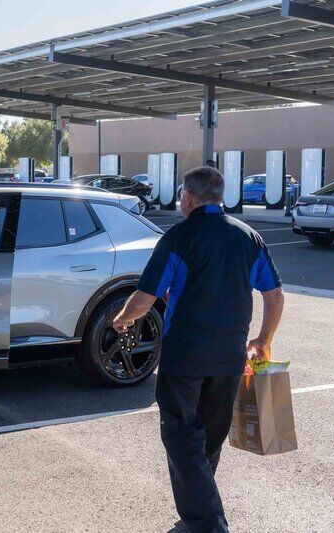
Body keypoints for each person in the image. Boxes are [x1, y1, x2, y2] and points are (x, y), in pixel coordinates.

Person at [112, 166, 285, 533]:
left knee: (180, 435)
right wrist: (264, 339)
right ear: (219, 195)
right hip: (229, 358)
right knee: (208, 435)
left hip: (185, 357)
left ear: (188, 198)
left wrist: (122, 318)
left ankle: (208, 522)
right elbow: (275, 294)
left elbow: (145, 297)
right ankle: (198, 513)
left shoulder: (179, 236)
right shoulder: (249, 237)